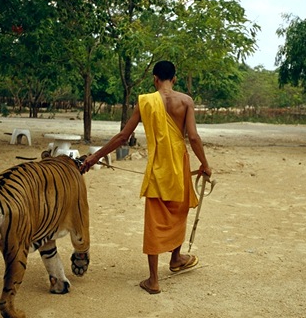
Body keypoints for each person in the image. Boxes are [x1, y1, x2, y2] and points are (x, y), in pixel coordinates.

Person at [80, 60, 212, 294]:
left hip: (158, 166)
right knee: (178, 210)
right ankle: (176, 257)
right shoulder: (186, 101)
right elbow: (193, 137)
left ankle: (154, 279)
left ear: (154, 78)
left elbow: (123, 137)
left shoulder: (145, 102)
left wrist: (93, 158)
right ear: (175, 78)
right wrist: (205, 164)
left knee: (155, 218)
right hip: (179, 163)